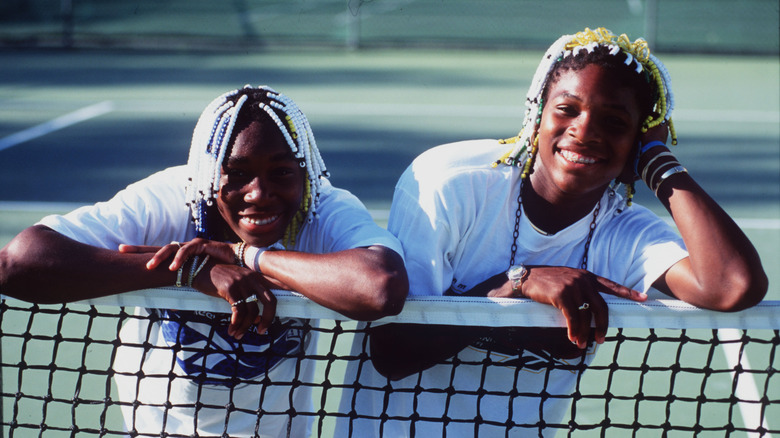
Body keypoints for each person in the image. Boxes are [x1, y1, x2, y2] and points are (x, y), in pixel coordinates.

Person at [355, 28, 768, 437]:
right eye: (568, 109)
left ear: (636, 142)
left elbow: (733, 285)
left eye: (614, 121)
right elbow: (392, 350)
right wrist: (516, 284)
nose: (585, 131)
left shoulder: (622, 233)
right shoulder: (449, 185)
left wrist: (658, 162)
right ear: (536, 114)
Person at [0, 85, 408, 437]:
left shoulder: (321, 208)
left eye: (281, 173)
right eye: (237, 174)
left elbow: (379, 288)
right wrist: (186, 270)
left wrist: (245, 256)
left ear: (306, 175)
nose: (258, 193)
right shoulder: (170, 198)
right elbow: (17, 264)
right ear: (209, 174)